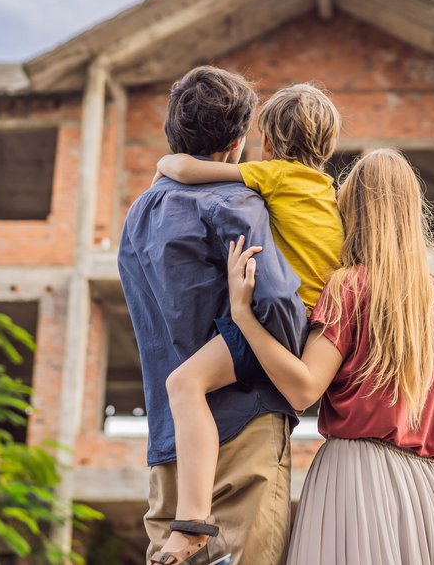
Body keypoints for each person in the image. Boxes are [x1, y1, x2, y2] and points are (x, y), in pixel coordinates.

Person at [226, 148, 434, 564]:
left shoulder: (350, 286)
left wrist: (243, 316)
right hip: (427, 490)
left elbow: (303, 387)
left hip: (357, 478)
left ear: (352, 211)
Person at [118, 66, 307, 565]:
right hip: (243, 429)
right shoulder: (236, 202)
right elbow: (276, 303)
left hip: (169, 441)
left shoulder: (138, 215)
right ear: (239, 139)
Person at [151, 83, 344, 564]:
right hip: (317, 330)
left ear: (267, 138)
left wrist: (164, 164)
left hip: (282, 321)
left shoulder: (274, 176)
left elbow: (188, 169)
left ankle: (193, 522)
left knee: (184, 383)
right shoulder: (328, 192)